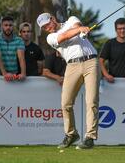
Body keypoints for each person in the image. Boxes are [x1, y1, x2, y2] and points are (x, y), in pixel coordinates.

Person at [37, 12, 100, 149]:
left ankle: (90, 137)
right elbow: (63, 37)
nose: (47, 28)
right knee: (66, 102)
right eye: (44, 28)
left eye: (47, 25)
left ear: (53, 19)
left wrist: (81, 29)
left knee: (92, 101)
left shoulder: (72, 20)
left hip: (91, 61)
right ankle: (71, 134)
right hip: (72, 65)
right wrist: (79, 31)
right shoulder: (50, 37)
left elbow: (77, 25)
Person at [0, 16, 26, 81]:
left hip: (13, 75)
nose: (8, 27)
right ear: (2, 26)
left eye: (10, 25)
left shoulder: (19, 40)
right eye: (6, 25)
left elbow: (21, 58)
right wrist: (5, 74)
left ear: (13, 26)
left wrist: (23, 73)